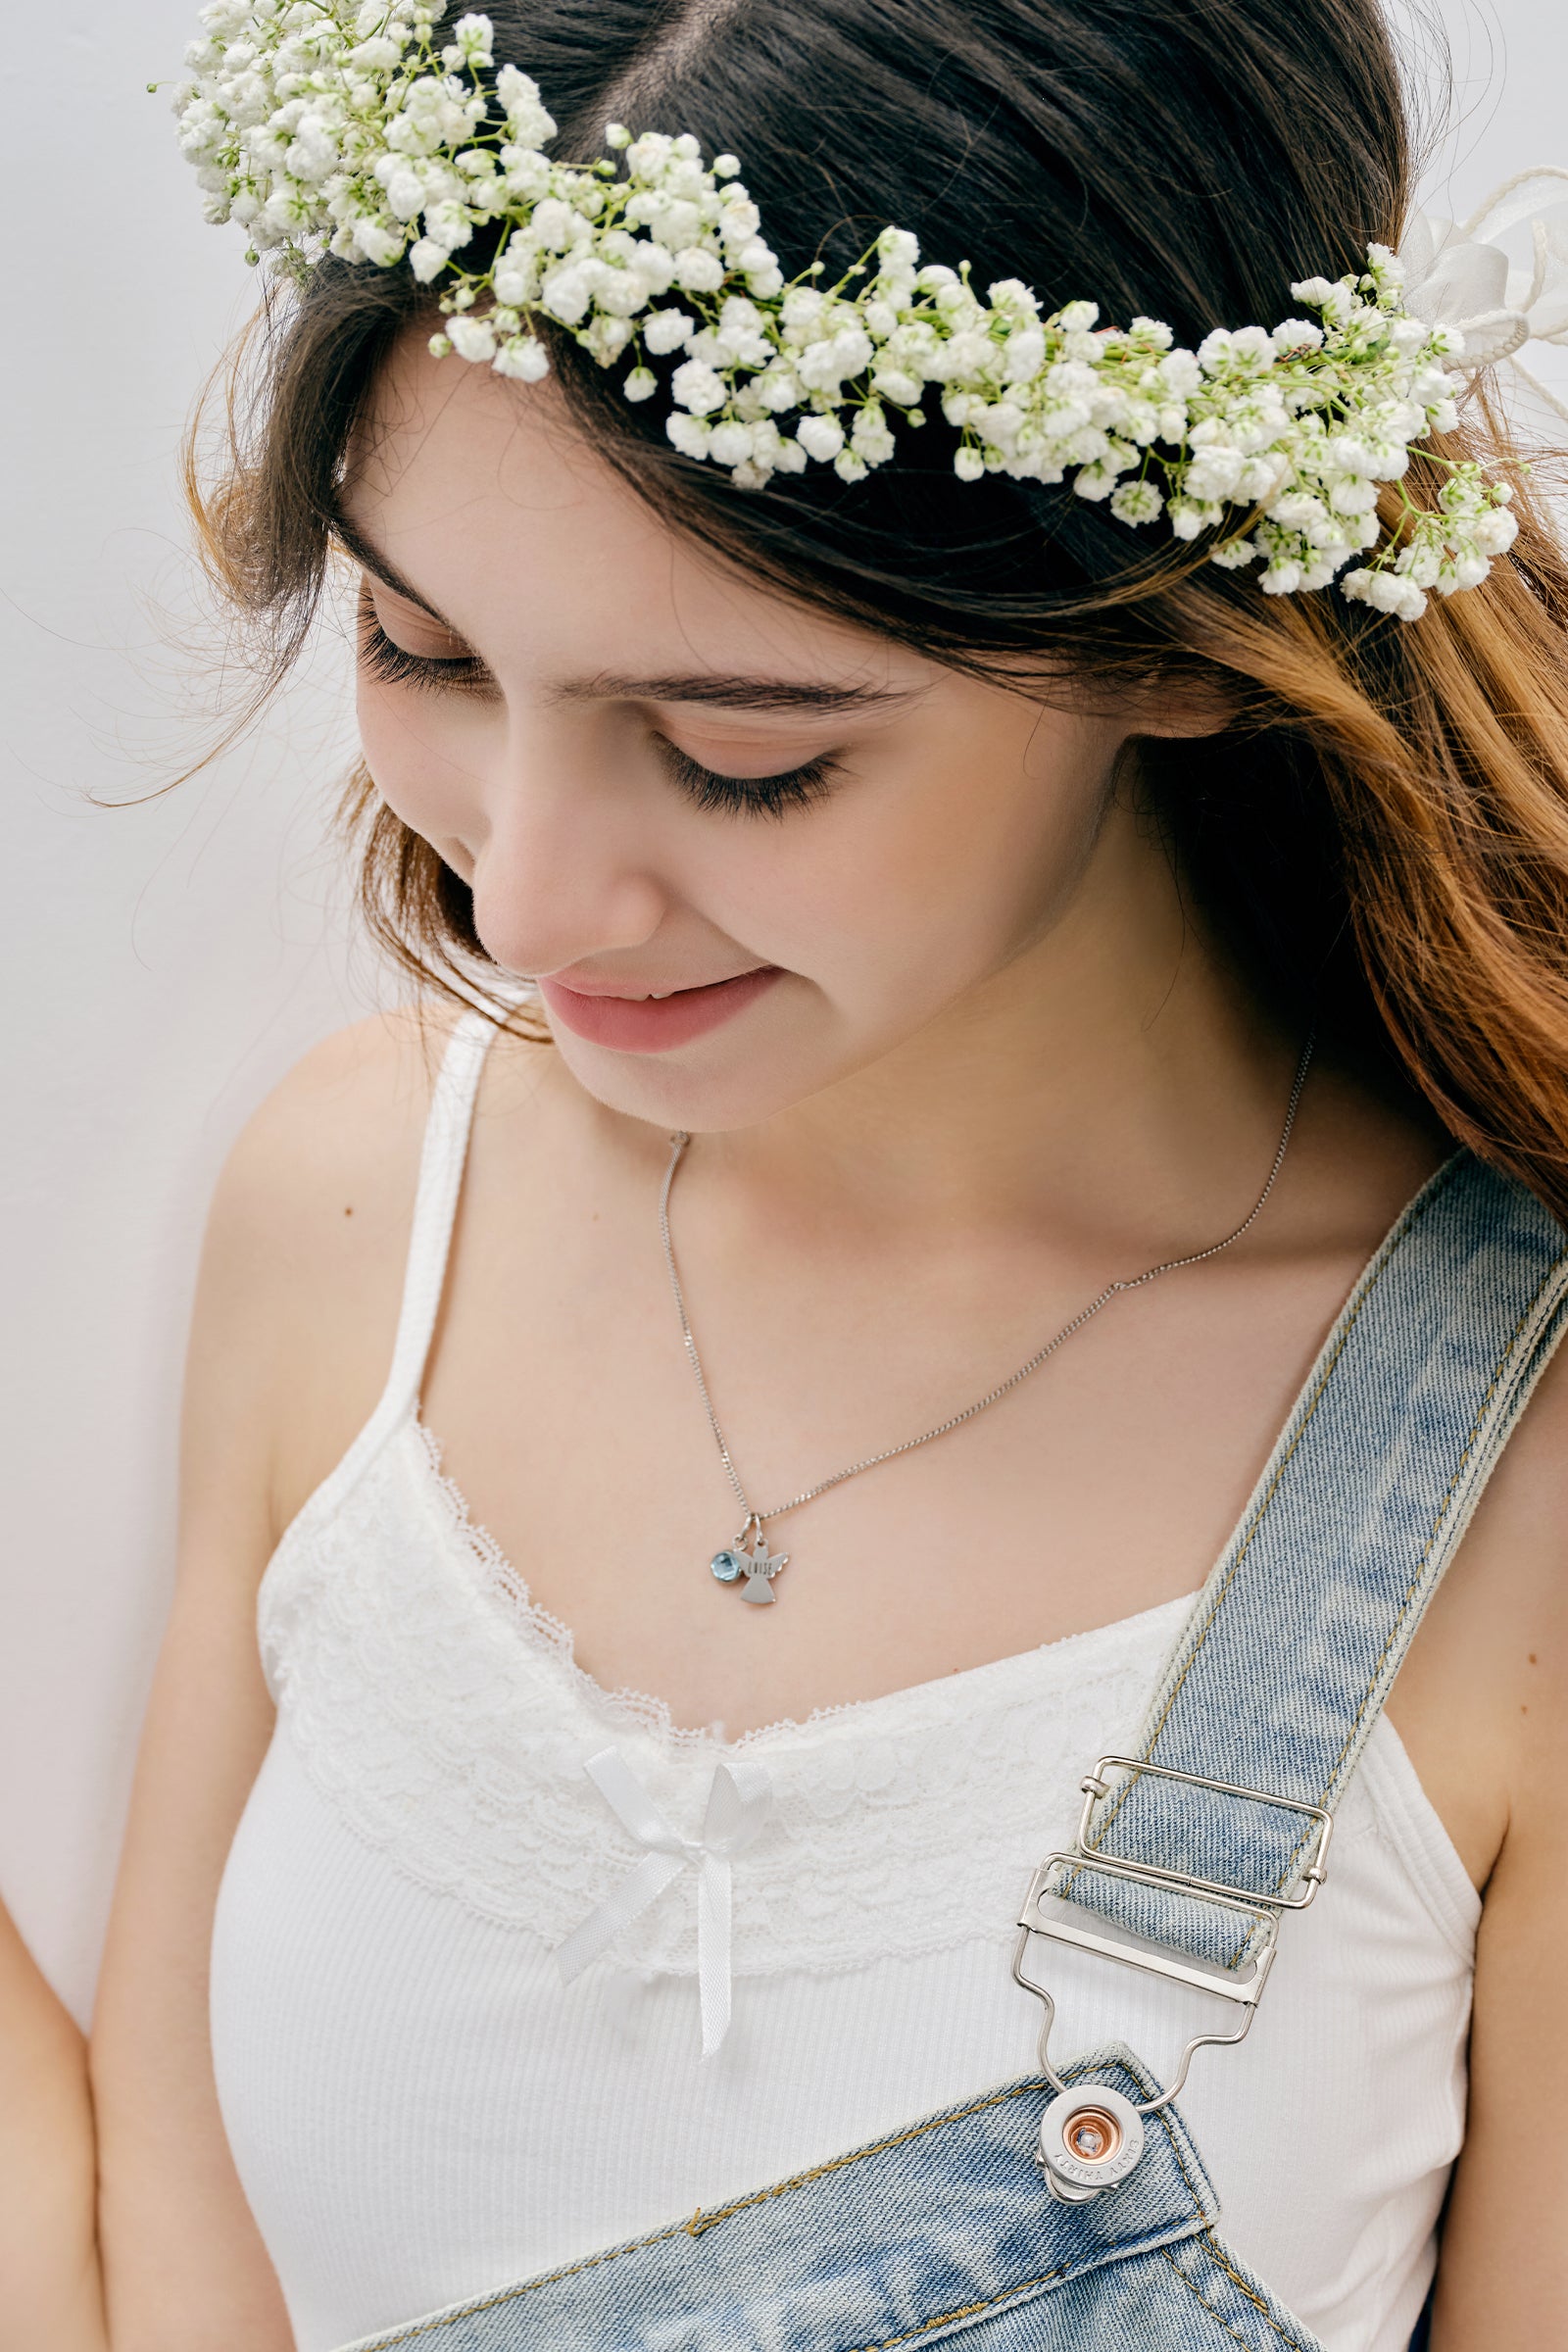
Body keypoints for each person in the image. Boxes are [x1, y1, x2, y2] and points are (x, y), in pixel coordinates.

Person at [4, 0, 1567, 2345]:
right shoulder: (357, 1215)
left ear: (1194, 634)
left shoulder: (1513, 1492)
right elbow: (156, 2285)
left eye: (742, 750)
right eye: (421, 650)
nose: (527, 903)